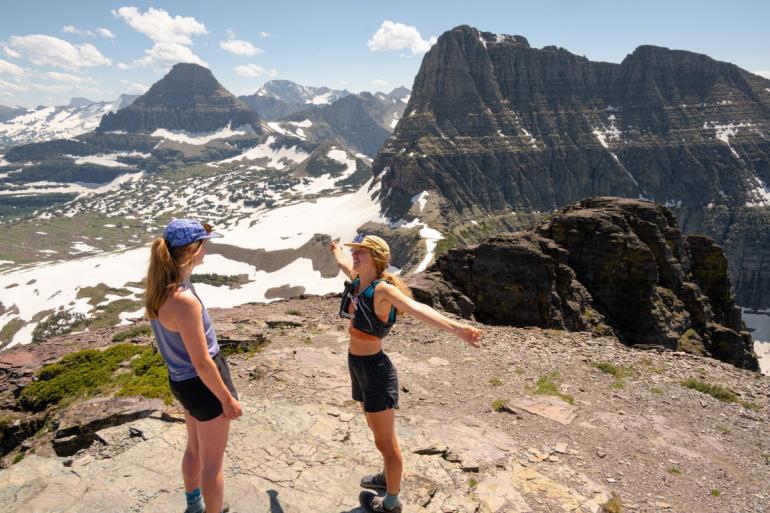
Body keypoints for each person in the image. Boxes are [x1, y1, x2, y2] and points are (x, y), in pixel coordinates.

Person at [330, 234, 483, 513]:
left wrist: (458, 329)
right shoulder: (356, 281)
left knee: (386, 442)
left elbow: (417, 308)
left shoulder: (382, 291)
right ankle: (388, 475)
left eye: (361, 252)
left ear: (375, 258)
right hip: (357, 365)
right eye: (355, 252)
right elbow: (342, 261)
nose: (355, 256)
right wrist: (336, 249)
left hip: (376, 372)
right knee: (377, 433)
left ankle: (390, 503)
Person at [144, 218, 242, 513]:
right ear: (192, 250)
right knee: (213, 464)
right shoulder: (184, 300)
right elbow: (200, 360)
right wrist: (227, 399)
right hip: (203, 383)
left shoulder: (160, 290)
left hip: (181, 382)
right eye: (203, 245)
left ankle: (193, 505)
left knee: (194, 449)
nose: (206, 251)